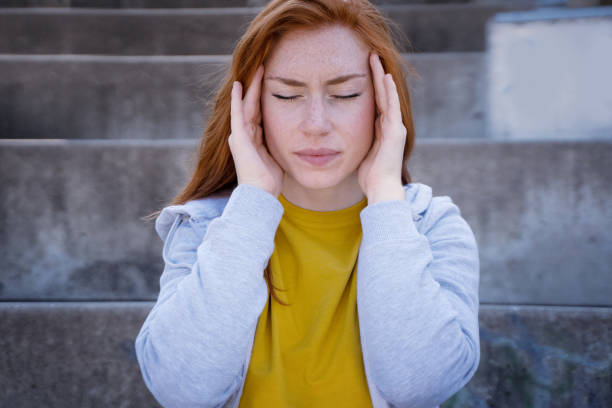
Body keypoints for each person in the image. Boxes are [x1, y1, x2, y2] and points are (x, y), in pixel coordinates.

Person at [134, 0, 480, 407]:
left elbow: (419, 385)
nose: (316, 124)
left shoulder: (433, 226)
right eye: (287, 96)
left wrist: (387, 196)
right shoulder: (203, 227)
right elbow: (182, 390)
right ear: (252, 107)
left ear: (384, 103)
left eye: (345, 93)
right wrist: (252, 203)